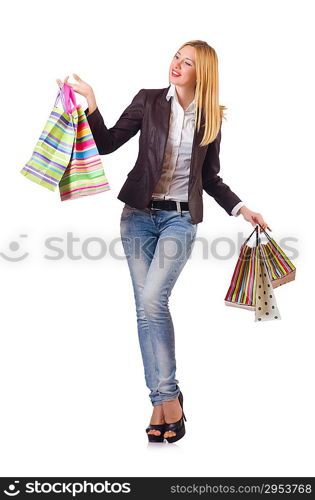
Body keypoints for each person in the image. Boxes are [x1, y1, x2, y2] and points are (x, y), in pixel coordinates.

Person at [57, 39, 270, 444]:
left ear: (201, 73)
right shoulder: (149, 100)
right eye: (176, 56)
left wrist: (242, 208)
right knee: (145, 310)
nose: (176, 65)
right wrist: (92, 101)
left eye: (187, 62)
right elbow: (106, 143)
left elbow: (209, 179)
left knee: (153, 301)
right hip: (136, 217)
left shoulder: (211, 119)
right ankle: (163, 404)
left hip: (179, 220)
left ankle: (167, 399)